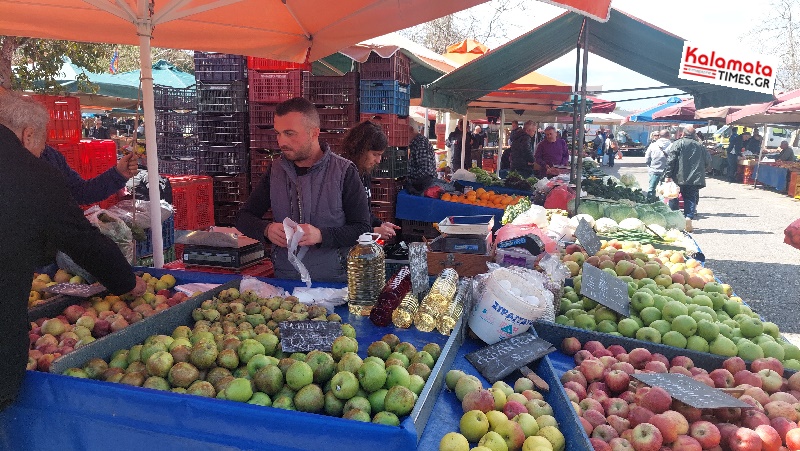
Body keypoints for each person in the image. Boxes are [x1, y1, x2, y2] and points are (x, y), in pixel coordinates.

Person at [0, 91, 146, 411]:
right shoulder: (31, 172)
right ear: (27, 135)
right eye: (41, 142)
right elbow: (80, 238)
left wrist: (117, 174)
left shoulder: (45, 163)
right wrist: (126, 280)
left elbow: (77, 192)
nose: (41, 151)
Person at [236, 97, 371, 282]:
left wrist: (321, 235)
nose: (281, 141)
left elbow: (362, 229)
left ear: (314, 133)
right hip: (285, 282)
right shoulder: (275, 171)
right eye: (278, 133)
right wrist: (266, 230)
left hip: (334, 283)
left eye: (290, 133)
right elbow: (243, 217)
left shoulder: (344, 171)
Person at [339, 120, 399, 241]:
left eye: (380, 155)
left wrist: (379, 224)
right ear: (361, 149)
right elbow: (339, 221)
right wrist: (372, 231)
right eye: (375, 154)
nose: (378, 160)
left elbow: (363, 213)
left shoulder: (364, 172)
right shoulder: (342, 173)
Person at [664, 125, 711, 233]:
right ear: (694, 135)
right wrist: (703, 170)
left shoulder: (677, 143)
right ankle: (688, 217)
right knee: (690, 198)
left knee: (673, 197)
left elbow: (671, 160)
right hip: (694, 178)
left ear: (683, 134)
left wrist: (668, 175)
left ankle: (675, 219)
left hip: (677, 176)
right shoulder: (700, 145)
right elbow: (708, 161)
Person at [407, 123, 437, 194]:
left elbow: (425, 172)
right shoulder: (415, 143)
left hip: (424, 190)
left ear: (411, 130)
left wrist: (405, 171)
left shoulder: (421, 144)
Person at [645, 129, 672, 200]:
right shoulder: (672, 145)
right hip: (668, 172)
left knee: (651, 188)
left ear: (659, 136)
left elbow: (647, 158)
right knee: (666, 190)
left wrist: (650, 166)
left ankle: (650, 204)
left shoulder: (653, 145)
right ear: (669, 136)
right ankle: (663, 205)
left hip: (654, 170)